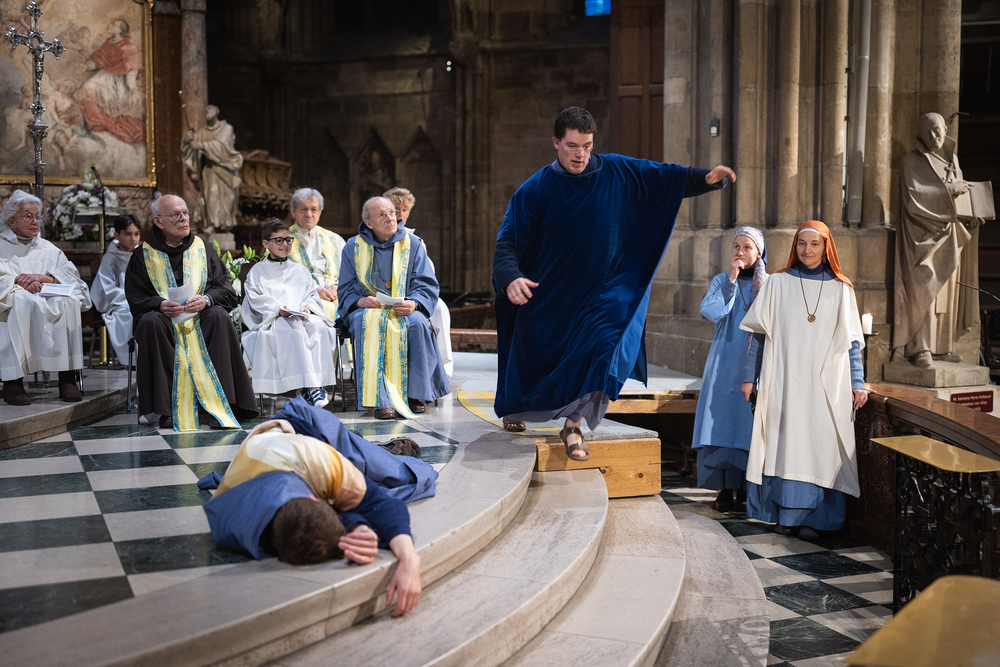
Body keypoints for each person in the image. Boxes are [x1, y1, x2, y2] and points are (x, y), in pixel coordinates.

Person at [493, 106, 735, 461]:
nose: (580, 154)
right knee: (534, 363)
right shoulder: (536, 188)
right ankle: (518, 407)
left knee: (605, 347)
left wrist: (704, 179)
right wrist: (511, 276)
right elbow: (508, 240)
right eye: (572, 146)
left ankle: (573, 425)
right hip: (555, 294)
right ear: (556, 143)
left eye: (587, 146)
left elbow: (662, 178)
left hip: (606, 291)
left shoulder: (617, 171)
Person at [200, 409, 423, 616]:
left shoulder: (321, 462)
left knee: (388, 472)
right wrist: (356, 526)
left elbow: (381, 503)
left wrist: (409, 558)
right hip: (272, 453)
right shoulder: (238, 509)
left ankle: (368, 446)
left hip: (300, 425)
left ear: (314, 497)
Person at [739, 220, 868, 539]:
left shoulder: (842, 288)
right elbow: (760, 335)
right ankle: (785, 515)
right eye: (801, 243)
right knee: (785, 445)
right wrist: (749, 377)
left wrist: (857, 382)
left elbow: (851, 343)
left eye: (814, 244)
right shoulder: (777, 283)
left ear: (826, 249)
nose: (806, 250)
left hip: (826, 385)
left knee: (821, 447)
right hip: (784, 380)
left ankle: (819, 519)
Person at [125, 193, 257, 430]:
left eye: (185, 213)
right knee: (151, 322)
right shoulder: (142, 255)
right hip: (164, 321)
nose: (184, 219)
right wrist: (159, 304)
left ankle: (222, 404)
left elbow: (226, 291)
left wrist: (206, 299)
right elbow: (136, 298)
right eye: (176, 215)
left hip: (201, 318)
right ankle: (166, 409)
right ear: (158, 221)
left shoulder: (203, 249)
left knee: (219, 316)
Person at [338, 196, 450, 419]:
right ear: (369, 223)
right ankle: (381, 400)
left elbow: (425, 283)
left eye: (392, 213)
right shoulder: (353, 247)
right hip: (368, 308)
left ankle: (415, 395)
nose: (391, 218)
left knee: (418, 323)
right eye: (382, 214)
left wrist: (414, 303)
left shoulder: (413, 244)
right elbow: (346, 286)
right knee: (364, 321)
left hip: (405, 307)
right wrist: (359, 301)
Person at [894, 112, 984, 368]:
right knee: (925, 289)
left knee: (946, 292)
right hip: (922, 237)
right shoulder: (911, 161)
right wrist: (950, 190)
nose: (933, 136)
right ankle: (920, 348)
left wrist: (970, 215)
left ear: (945, 128)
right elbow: (914, 199)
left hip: (949, 234)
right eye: (927, 133)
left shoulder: (952, 159)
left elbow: (959, 199)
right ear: (919, 135)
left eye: (937, 130)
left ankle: (942, 347)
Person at [692, 227, 767, 512]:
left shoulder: (769, 284)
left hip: (755, 361)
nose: (740, 252)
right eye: (736, 246)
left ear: (759, 253)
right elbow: (712, 311)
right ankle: (724, 488)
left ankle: (747, 489)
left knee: (749, 425)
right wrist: (732, 282)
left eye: (747, 247)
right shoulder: (722, 280)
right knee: (722, 421)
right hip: (724, 361)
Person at [0, 190, 91, 405]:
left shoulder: (49, 249)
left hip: (47, 295)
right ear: (11, 221)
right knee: (23, 301)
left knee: (67, 301)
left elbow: (74, 280)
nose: (35, 222)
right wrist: (18, 283)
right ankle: (13, 381)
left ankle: (67, 377)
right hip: (17, 299)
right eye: (28, 216)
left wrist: (44, 278)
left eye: (37, 216)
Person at [240, 217, 338, 407]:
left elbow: (311, 295)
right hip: (273, 320)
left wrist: (306, 307)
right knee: (293, 327)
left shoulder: (300, 270)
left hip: (301, 316)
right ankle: (311, 387)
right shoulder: (257, 272)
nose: (285, 244)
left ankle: (314, 386)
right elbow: (255, 301)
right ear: (265, 243)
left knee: (321, 327)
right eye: (279, 240)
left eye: (288, 239)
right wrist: (279, 310)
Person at [384, 186, 454, 378]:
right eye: (395, 209)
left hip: (412, 295)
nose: (400, 214)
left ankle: (442, 366)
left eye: (404, 210)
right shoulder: (378, 236)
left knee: (439, 307)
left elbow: (427, 275)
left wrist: (415, 298)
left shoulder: (416, 241)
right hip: (386, 294)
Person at [75, 18, 144, 145]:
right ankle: (96, 123)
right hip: (104, 76)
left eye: (114, 25)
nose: (110, 25)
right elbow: (99, 61)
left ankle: (105, 125)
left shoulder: (128, 45)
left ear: (120, 30)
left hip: (119, 80)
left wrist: (131, 87)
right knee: (86, 88)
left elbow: (131, 68)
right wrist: (86, 66)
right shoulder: (108, 43)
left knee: (99, 94)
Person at [182, 105, 243, 234]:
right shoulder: (202, 131)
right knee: (212, 195)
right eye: (206, 111)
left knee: (227, 199)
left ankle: (223, 224)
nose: (207, 113)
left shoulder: (226, 128)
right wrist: (187, 140)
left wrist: (200, 144)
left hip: (226, 169)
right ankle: (212, 223)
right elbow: (192, 143)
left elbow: (221, 146)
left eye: (210, 110)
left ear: (216, 112)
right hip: (211, 170)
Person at [287, 188, 345, 321]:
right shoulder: (281, 240)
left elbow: (351, 272)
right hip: (302, 301)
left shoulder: (335, 239)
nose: (308, 214)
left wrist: (338, 287)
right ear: (293, 211)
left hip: (337, 297)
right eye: (303, 209)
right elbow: (277, 277)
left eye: (313, 209)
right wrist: (314, 291)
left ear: (320, 212)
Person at [91, 213, 141, 367]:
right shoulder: (110, 258)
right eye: (128, 234)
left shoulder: (143, 255)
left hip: (139, 299)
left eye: (136, 234)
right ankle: (132, 361)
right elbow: (107, 290)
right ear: (117, 235)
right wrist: (133, 297)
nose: (133, 239)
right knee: (128, 312)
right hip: (117, 303)